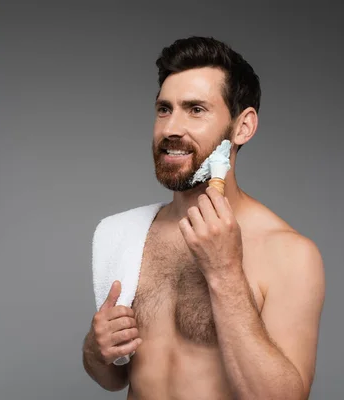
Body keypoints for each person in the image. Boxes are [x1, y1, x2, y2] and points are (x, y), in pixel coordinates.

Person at [82, 36, 325, 400]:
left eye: (195, 109)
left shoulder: (290, 254)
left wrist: (225, 273)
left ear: (243, 127)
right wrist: (96, 350)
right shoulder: (128, 237)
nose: (170, 129)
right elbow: (115, 377)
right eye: (165, 109)